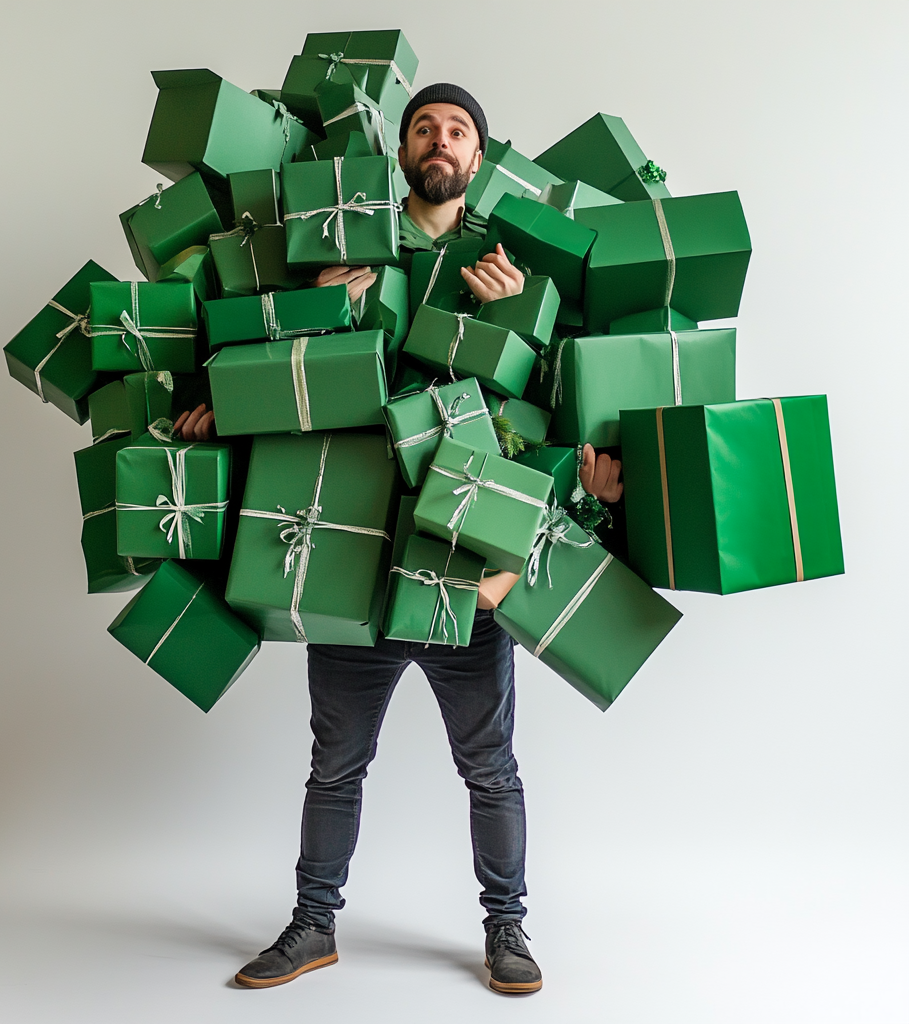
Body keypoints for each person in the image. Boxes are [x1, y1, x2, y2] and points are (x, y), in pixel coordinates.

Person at [174, 84, 622, 994]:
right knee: (334, 763)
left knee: (489, 766)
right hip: (351, 555)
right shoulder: (343, 247)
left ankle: (508, 930)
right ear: (403, 150)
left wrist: (504, 321)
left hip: (464, 556)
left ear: (478, 158)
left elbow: (534, 408)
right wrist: (299, 329)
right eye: (424, 126)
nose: (440, 140)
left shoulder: (503, 261)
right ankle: (312, 924)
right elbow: (311, 389)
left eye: (457, 131)